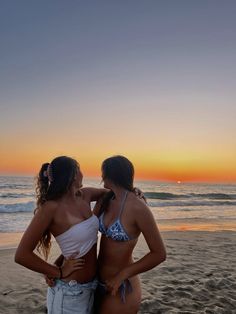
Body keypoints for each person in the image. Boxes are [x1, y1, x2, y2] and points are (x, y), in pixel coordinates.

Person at [15, 156, 107, 314]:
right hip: (68, 294)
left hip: (91, 287)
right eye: (80, 170)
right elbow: (21, 255)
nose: (83, 174)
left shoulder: (85, 195)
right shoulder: (51, 208)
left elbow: (109, 194)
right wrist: (57, 272)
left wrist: (133, 192)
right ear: (73, 175)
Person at [93, 155, 166, 314]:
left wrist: (122, 275)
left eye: (102, 172)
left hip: (122, 287)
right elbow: (77, 198)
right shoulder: (106, 198)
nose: (101, 176)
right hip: (96, 281)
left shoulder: (138, 208)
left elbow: (159, 254)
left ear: (110, 175)